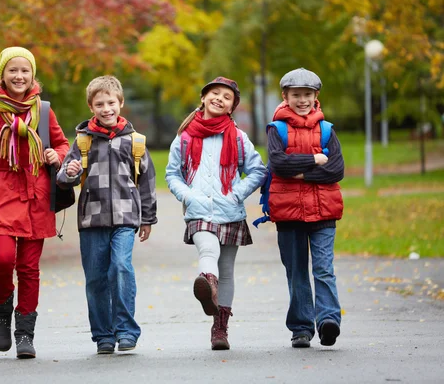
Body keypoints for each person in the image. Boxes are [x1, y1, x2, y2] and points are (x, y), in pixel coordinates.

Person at [0, 46, 69, 359]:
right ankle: (0, 305)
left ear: (32, 75)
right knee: (3, 258)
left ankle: (24, 333)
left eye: (25, 70)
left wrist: (57, 155)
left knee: (29, 268)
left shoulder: (44, 110)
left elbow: (63, 144)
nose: (19, 76)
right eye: (13, 70)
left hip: (36, 195)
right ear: (2, 75)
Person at [56, 75, 157, 355]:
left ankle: (126, 330)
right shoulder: (83, 141)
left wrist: (147, 218)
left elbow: (146, 183)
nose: (106, 108)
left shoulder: (135, 142)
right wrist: (69, 173)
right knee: (96, 278)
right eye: (99, 103)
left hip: (125, 219)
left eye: (111, 102)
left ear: (121, 103)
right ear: (91, 107)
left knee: (121, 268)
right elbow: (64, 177)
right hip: (91, 220)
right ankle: (103, 335)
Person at [165, 77, 267, 350]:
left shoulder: (238, 137)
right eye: (214, 93)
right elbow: (172, 174)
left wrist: (235, 194)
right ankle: (208, 286)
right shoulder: (185, 137)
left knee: (228, 270)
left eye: (227, 96)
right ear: (203, 98)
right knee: (207, 250)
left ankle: (220, 329)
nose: (219, 98)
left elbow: (258, 170)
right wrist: (188, 195)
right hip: (198, 210)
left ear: (232, 106)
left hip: (230, 211)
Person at [268, 67, 345, 348]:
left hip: (324, 212)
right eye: (296, 95)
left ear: (316, 96)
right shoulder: (277, 129)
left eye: (308, 95)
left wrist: (301, 173)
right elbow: (278, 163)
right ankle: (301, 327)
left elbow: (336, 169)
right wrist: (315, 159)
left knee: (324, 268)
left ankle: (328, 321)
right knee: (297, 271)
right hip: (288, 214)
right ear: (285, 96)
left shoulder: (327, 130)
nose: (302, 100)